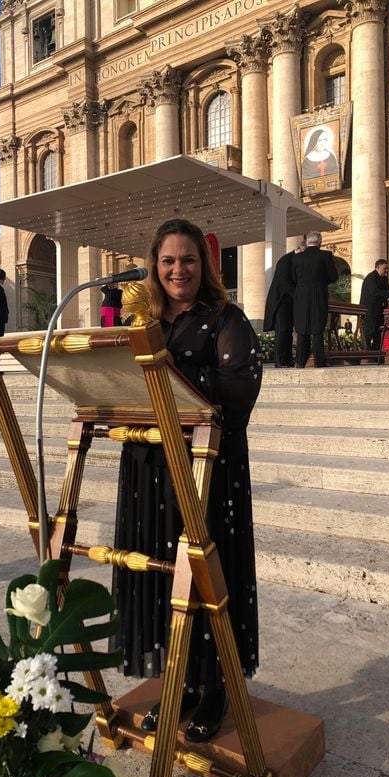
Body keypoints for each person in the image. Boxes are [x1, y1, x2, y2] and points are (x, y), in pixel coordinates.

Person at [111, 218, 262, 744]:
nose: (178, 269)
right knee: (160, 576)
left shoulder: (227, 318)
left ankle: (213, 686)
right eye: (168, 260)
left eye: (189, 259)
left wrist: (167, 370)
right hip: (149, 470)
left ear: (206, 266)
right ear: (154, 266)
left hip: (206, 471)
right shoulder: (144, 320)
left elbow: (237, 397)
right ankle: (175, 684)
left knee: (202, 580)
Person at [292, 231, 338, 368]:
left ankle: (300, 362)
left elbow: (294, 278)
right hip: (318, 295)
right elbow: (333, 276)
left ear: (306, 242)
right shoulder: (325, 255)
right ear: (320, 243)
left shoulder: (297, 258)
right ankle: (319, 362)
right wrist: (320, 281)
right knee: (317, 329)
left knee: (302, 329)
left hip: (301, 296)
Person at [263, 240, 306, 367]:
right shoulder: (286, 260)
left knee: (287, 331)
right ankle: (279, 361)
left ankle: (287, 359)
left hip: (289, 302)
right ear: (300, 249)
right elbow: (284, 282)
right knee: (282, 331)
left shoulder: (294, 260)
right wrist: (299, 296)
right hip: (281, 301)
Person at [359, 259, 389, 350]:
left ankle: (376, 356)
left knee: (378, 334)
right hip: (370, 311)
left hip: (380, 311)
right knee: (369, 333)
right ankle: (365, 355)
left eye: (387, 269)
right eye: (384, 268)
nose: (386, 271)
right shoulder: (371, 278)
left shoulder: (384, 279)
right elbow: (376, 293)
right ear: (377, 267)